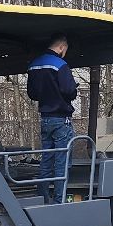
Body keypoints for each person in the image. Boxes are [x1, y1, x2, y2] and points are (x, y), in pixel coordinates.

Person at [26, 33, 78, 204]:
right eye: (66, 50)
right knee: (62, 161)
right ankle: (59, 201)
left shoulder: (34, 65)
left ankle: (42, 198)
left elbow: (32, 93)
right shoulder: (61, 65)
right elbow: (69, 91)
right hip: (61, 119)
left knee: (46, 160)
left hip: (45, 119)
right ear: (62, 47)